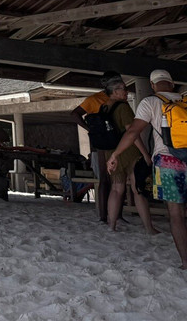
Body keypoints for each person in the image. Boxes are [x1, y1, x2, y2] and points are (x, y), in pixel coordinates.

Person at [108, 70, 187, 268]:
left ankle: (186, 262)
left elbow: (133, 131)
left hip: (168, 162)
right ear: (172, 83)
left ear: (152, 85)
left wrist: (115, 154)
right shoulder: (184, 100)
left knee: (176, 213)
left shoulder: (151, 102)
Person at [103, 79, 157, 234]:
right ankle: (149, 228)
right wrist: (145, 154)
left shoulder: (104, 107)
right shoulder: (123, 107)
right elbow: (132, 133)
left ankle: (111, 225)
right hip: (129, 152)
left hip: (111, 152)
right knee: (137, 189)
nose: (126, 92)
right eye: (122, 89)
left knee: (116, 189)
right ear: (114, 92)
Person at [72, 70, 121, 222]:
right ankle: (103, 215)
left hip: (117, 141)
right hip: (102, 143)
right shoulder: (94, 99)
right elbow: (75, 114)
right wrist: (90, 129)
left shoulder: (119, 97)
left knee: (118, 179)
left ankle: (116, 214)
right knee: (104, 179)